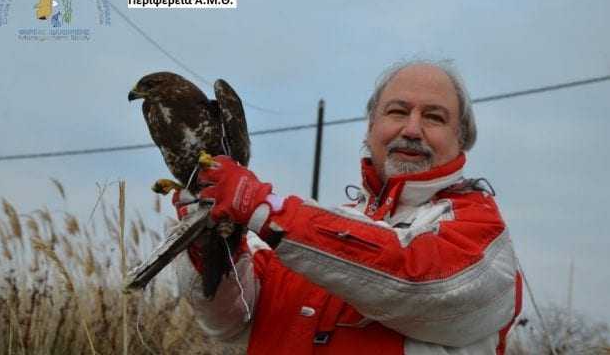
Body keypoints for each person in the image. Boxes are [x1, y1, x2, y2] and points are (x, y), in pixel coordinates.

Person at [173, 61, 522, 354]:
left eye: (433, 117)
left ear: (461, 139)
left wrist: (264, 208)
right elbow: (227, 321)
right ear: (371, 128)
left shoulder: (482, 231)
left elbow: (422, 284)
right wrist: (211, 242)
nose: (412, 129)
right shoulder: (310, 235)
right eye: (398, 111)